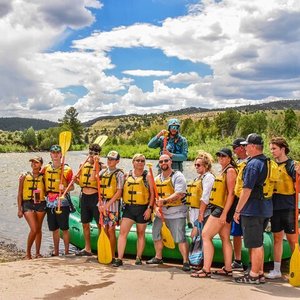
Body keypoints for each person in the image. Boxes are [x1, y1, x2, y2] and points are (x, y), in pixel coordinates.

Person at [191, 148, 237, 278]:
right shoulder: (224, 170)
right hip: (222, 208)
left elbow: (231, 193)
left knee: (206, 235)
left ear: (229, 158)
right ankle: (228, 268)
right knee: (224, 238)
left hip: (221, 209)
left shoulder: (230, 170)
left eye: (224, 156)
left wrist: (224, 213)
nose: (221, 158)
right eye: (219, 156)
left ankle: (206, 269)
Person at [234, 133, 273, 284]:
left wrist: (237, 210)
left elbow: (247, 190)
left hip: (253, 210)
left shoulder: (253, 164)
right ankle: (260, 272)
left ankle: (254, 274)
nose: (245, 148)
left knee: (255, 244)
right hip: (264, 208)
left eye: (246, 146)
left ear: (253, 147)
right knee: (258, 242)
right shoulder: (266, 161)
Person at [146, 154, 190, 271]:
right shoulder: (156, 179)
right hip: (161, 214)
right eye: (161, 162)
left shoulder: (178, 176)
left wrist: (164, 201)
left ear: (170, 162)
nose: (163, 163)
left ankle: (186, 260)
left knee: (180, 238)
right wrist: (155, 210)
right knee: (156, 234)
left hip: (176, 213)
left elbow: (179, 193)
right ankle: (158, 257)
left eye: (166, 161)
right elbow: (154, 197)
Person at [113, 154, 155, 267]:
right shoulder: (127, 175)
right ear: (133, 162)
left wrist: (149, 209)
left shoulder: (148, 176)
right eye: (138, 160)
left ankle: (138, 257)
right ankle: (119, 258)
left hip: (142, 209)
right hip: (129, 209)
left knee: (140, 233)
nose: (140, 162)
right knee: (123, 233)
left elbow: (152, 194)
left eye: (142, 161)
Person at [266, 137, 298, 279]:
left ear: (282, 149)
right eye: (271, 148)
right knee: (277, 238)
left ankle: (296, 268)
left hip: (289, 207)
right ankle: (277, 270)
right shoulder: (271, 165)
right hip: (275, 206)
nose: (271, 151)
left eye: (274, 148)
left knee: (292, 240)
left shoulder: (292, 165)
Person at [42, 144, 74, 256]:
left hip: (62, 201)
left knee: (64, 228)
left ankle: (66, 252)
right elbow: (37, 176)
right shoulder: (46, 168)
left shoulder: (67, 169)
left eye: (57, 153)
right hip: (50, 202)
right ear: (50, 154)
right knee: (54, 229)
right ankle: (56, 252)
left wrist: (65, 188)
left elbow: (73, 186)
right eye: (53, 153)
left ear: (61, 154)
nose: (55, 155)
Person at [74, 143, 102, 256]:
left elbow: (95, 178)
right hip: (84, 197)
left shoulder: (101, 166)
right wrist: (75, 179)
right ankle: (87, 248)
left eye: (95, 154)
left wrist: (96, 163)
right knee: (85, 224)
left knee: (100, 225)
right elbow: (79, 182)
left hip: (95, 197)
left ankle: (101, 249)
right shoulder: (82, 165)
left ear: (99, 155)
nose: (92, 155)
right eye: (91, 153)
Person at [17, 156, 46, 259]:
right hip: (27, 204)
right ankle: (28, 253)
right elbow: (20, 193)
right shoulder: (24, 176)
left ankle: (37, 253)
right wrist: (19, 209)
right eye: (32, 162)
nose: (34, 164)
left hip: (40, 204)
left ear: (40, 165)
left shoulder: (44, 177)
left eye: (36, 162)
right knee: (33, 229)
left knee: (38, 229)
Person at [98, 150, 124, 263]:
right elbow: (97, 187)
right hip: (102, 204)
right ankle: (105, 252)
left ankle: (112, 255)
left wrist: (107, 205)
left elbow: (119, 192)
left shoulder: (119, 174)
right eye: (108, 158)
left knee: (111, 230)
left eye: (112, 159)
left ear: (117, 161)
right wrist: (100, 204)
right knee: (104, 229)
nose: (109, 161)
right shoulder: (102, 172)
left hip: (113, 206)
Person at [186, 151, 215, 236]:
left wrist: (201, 214)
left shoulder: (208, 177)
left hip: (204, 213)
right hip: (195, 212)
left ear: (206, 165)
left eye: (198, 165)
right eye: (195, 165)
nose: (196, 167)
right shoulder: (198, 178)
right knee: (195, 237)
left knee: (195, 236)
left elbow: (205, 197)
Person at [231, 138, 248, 270]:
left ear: (241, 148)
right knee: (236, 232)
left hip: (248, 202)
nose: (234, 151)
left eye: (234, 148)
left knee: (248, 231)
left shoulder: (251, 162)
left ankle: (254, 263)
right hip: (236, 200)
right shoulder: (235, 164)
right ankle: (237, 260)